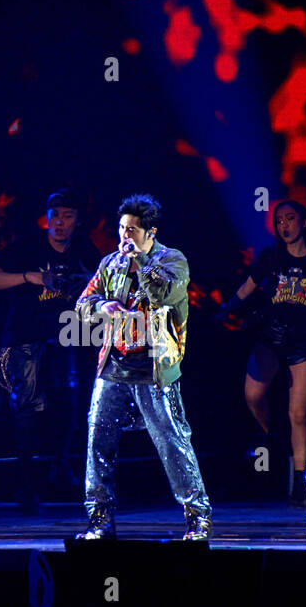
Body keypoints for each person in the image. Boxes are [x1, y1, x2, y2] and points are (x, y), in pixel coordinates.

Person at [74, 194, 210, 541]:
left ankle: (197, 517)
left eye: (132, 230)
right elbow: (83, 305)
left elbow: (163, 295)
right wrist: (103, 305)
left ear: (150, 232)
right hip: (114, 363)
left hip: (155, 365)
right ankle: (100, 519)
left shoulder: (173, 261)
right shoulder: (110, 264)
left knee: (171, 440)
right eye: (121, 228)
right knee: (98, 438)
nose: (124, 236)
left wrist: (143, 261)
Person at [216, 199, 306, 506]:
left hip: (304, 343)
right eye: (279, 220)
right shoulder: (271, 256)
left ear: (304, 222)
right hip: (270, 337)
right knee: (253, 396)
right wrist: (226, 309)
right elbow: (248, 287)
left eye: (290, 218)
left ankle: (300, 485)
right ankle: (268, 432)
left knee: (298, 414)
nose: (284, 225)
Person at [0, 189, 101, 511]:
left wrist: (93, 281)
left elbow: (109, 285)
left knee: (71, 401)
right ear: (46, 219)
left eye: (68, 217)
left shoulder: (84, 250)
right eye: (55, 216)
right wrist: (28, 277)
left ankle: (60, 467)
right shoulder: (26, 246)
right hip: (26, 335)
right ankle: (25, 483)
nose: (60, 223)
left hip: (68, 335)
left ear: (78, 222)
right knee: (30, 406)